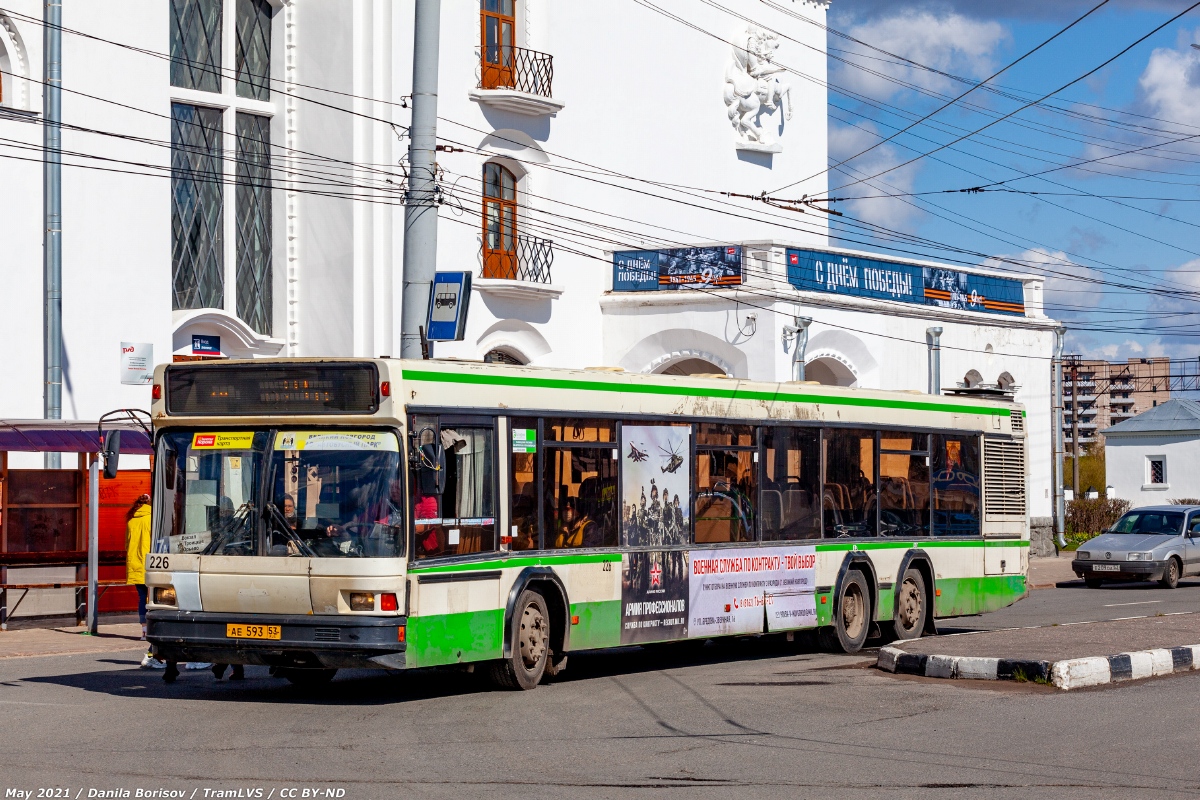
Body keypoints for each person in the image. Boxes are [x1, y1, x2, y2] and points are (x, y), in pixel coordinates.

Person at [125, 494, 152, 640]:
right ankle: (154, 628)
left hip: (135, 565)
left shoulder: (131, 521)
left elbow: (127, 545)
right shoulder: (153, 519)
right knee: (154, 598)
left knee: (142, 597)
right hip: (150, 564)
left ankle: (144, 630)